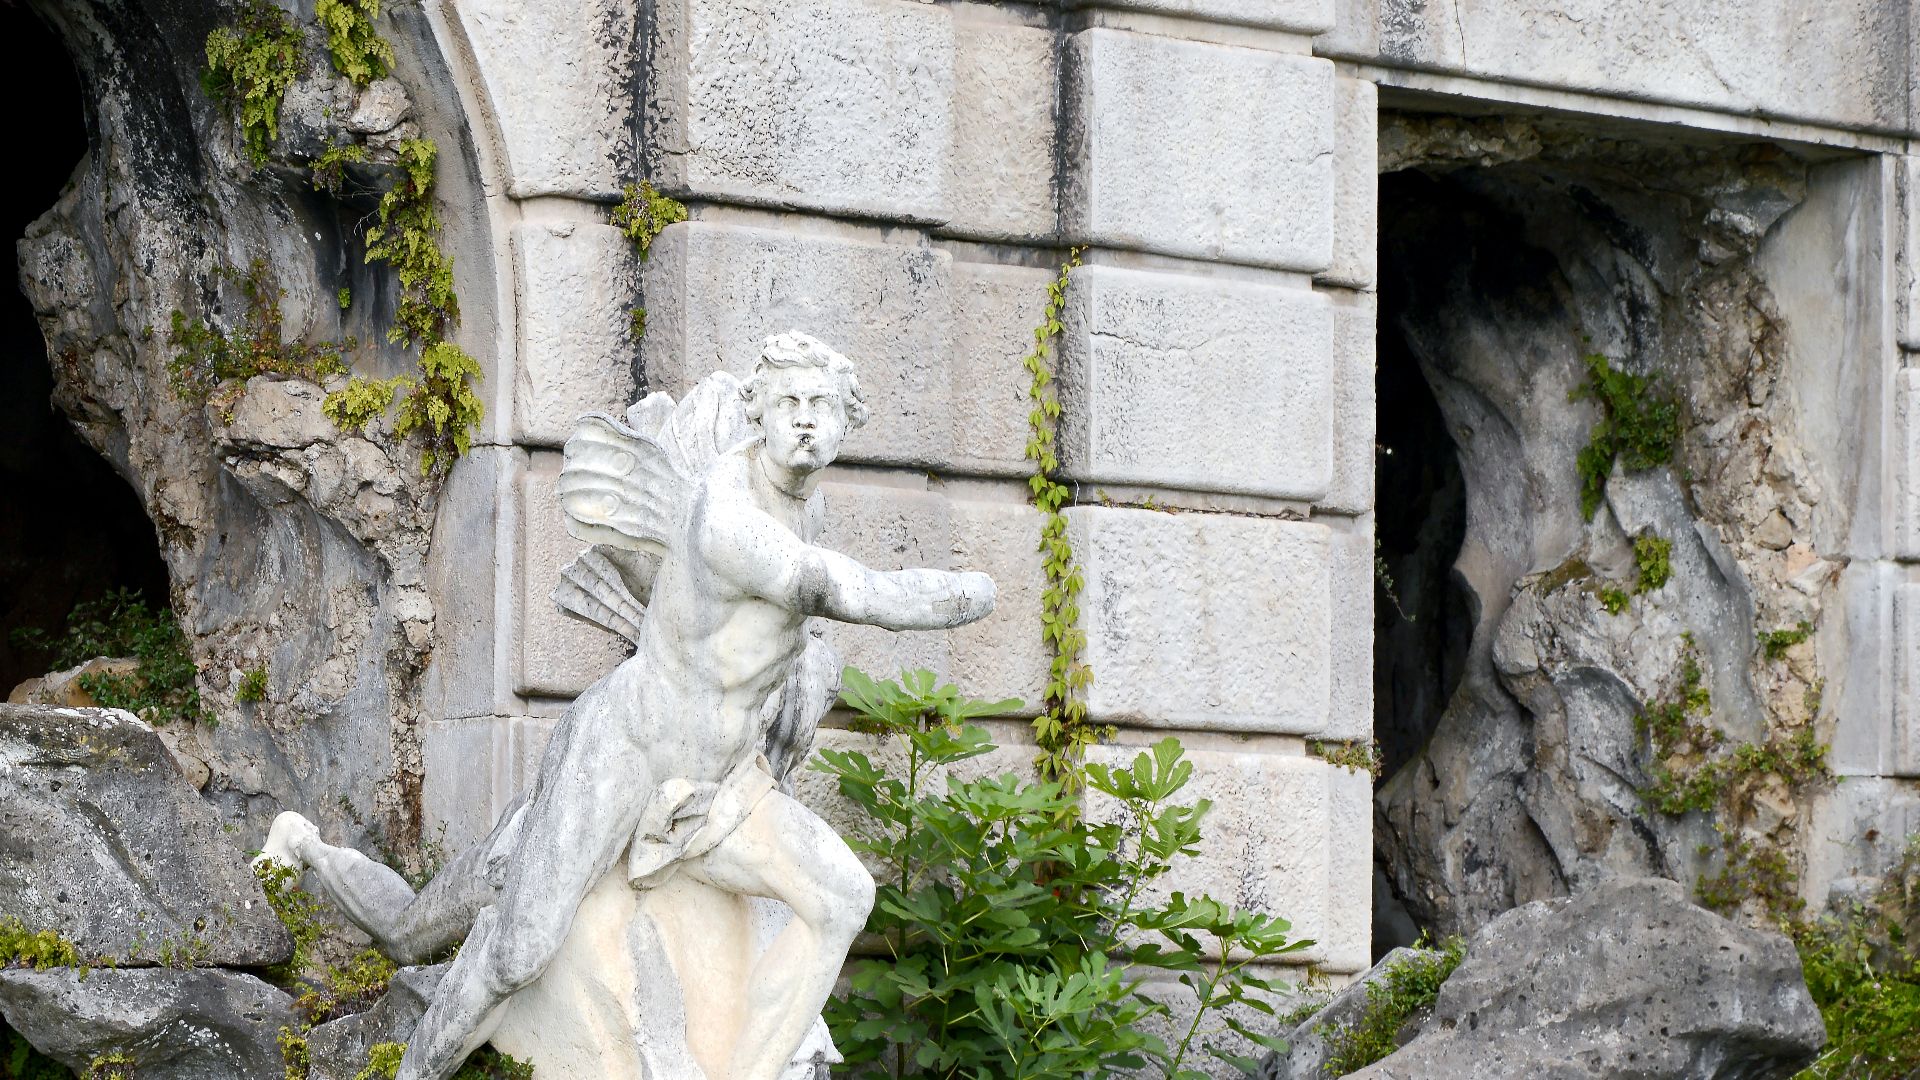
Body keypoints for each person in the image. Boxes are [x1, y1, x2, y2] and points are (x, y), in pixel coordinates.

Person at [257, 331, 997, 1079]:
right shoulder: (727, 511)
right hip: (627, 753)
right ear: (760, 414)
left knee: (843, 896)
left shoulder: (807, 507)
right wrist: (971, 592)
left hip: (722, 787)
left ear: (847, 421)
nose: (805, 422)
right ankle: (315, 863)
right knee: (496, 947)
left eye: (822, 407)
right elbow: (845, 590)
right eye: (789, 404)